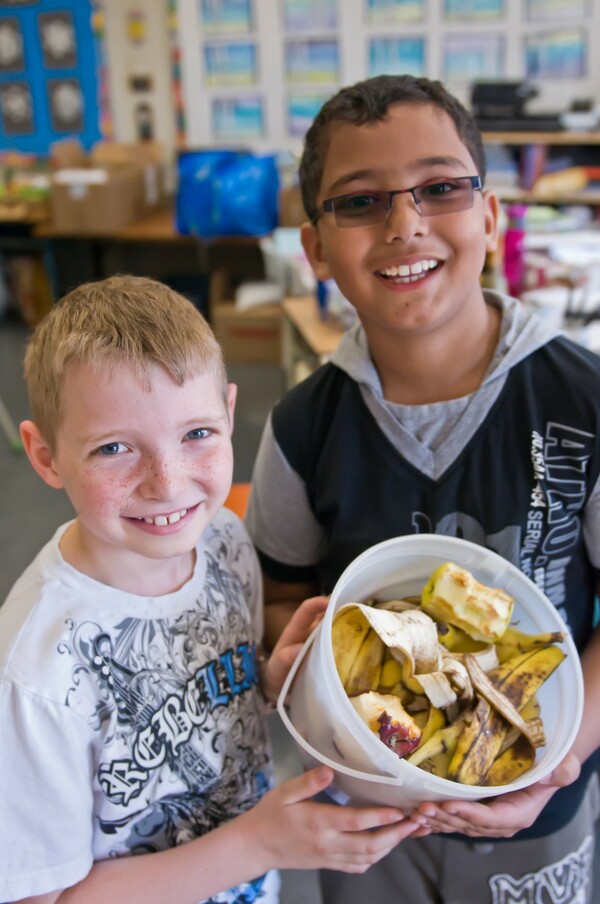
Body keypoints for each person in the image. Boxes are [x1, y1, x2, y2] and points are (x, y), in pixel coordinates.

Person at [245, 75, 600, 903]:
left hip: (539, 809)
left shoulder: (585, 402)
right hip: (363, 818)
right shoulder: (302, 428)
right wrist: (287, 660)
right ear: (316, 250)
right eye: (359, 203)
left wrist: (556, 760)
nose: (405, 224)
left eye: (440, 188)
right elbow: (280, 598)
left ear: (489, 215)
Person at [0, 275, 418, 904]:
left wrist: (274, 680)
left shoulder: (222, 538)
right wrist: (259, 844)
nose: (167, 486)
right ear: (46, 455)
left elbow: (215, 692)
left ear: (228, 413)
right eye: (114, 448)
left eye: (196, 434)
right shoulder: (34, 679)